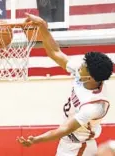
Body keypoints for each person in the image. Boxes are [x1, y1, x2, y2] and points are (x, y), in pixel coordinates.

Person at [17, 14, 113, 156]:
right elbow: (55, 52)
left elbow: (64, 129)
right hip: (69, 142)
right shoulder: (84, 73)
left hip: (79, 147)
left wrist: (36, 140)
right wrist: (43, 27)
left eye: (83, 67)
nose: (79, 67)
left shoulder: (94, 106)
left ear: (91, 78)